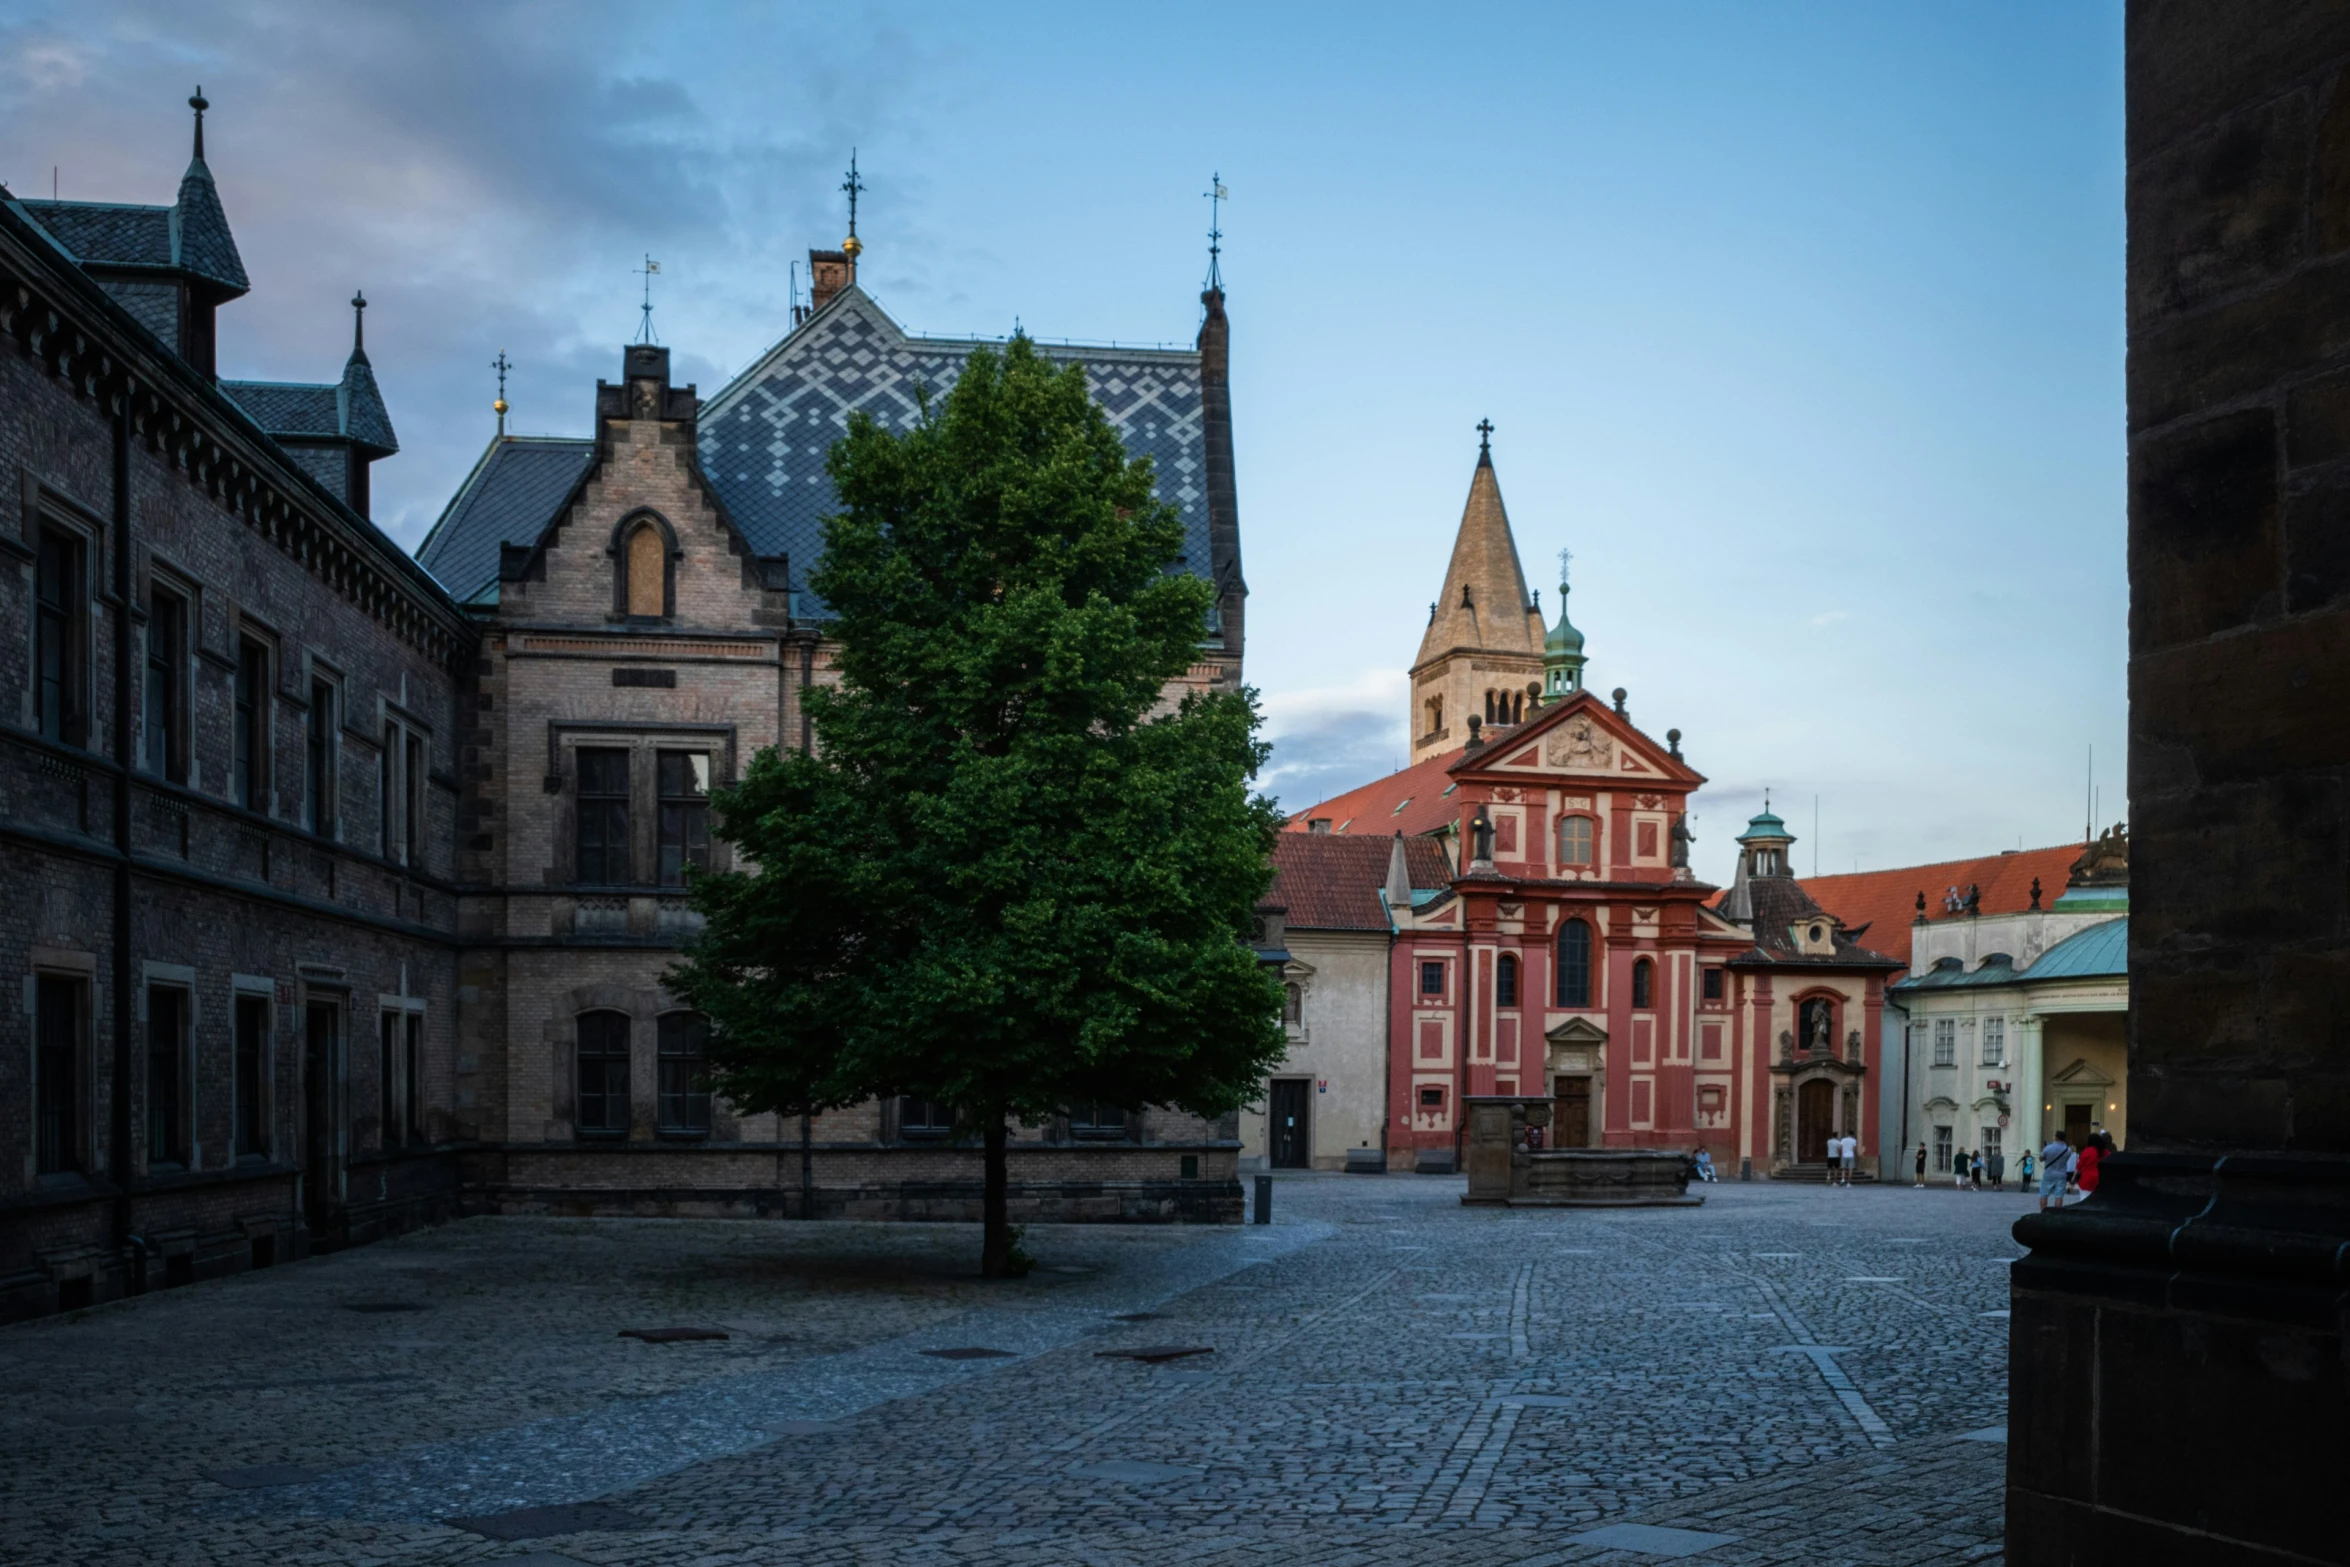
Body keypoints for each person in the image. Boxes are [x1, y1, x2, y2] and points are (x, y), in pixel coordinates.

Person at [2038, 1130, 2071, 1211]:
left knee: (2044, 1194)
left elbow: (2041, 1159)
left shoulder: (2048, 1148)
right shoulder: (2068, 1150)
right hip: (2061, 1174)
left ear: (2056, 1137)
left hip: (2049, 1173)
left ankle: (2043, 1212)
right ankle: (2056, 1213)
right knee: (2059, 1196)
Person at [2077, 1132, 2105, 1199]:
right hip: (2098, 1177)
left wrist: (2073, 1177)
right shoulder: (2103, 1152)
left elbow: (2079, 1165)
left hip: (2086, 1178)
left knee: (2084, 1197)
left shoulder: (2087, 1151)